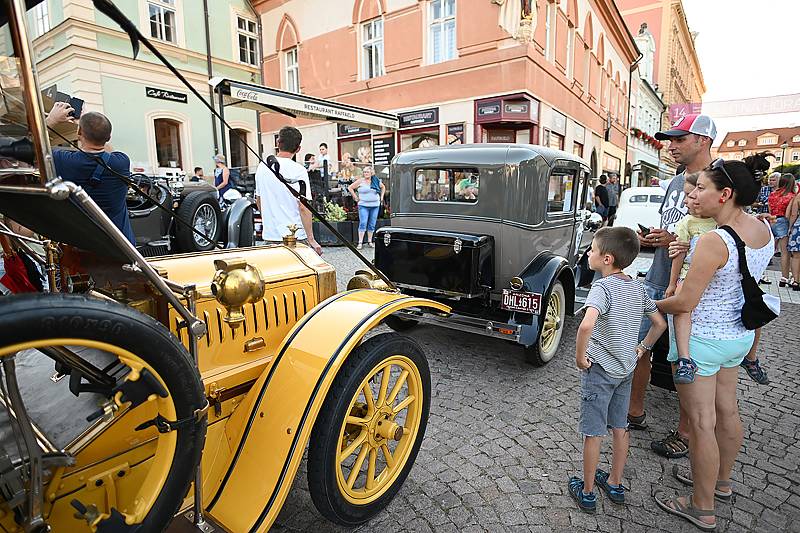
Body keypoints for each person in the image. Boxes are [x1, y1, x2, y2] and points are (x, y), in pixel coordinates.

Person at [653, 154, 773, 531]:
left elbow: (685, 302)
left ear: (725, 194)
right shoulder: (764, 230)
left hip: (701, 341)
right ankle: (720, 483)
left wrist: (644, 302)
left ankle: (701, 506)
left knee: (702, 423)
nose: (695, 194)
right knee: (728, 412)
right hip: (738, 339)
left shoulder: (712, 241)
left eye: (702, 188)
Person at [627, 113, 716, 460]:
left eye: (680, 139)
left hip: (694, 287)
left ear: (703, 141)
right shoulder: (677, 179)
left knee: (685, 359)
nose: (671, 145)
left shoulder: (721, 179)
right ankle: (634, 412)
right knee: (639, 347)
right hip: (658, 277)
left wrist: (678, 244)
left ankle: (686, 432)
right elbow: (677, 227)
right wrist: (658, 238)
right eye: (670, 139)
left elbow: (724, 240)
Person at [568, 227, 666, 513]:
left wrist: (579, 358)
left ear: (607, 259)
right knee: (620, 426)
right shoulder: (637, 287)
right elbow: (659, 323)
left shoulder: (601, 288)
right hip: (626, 370)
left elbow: (586, 325)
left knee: (593, 432)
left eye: (593, 250)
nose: (588, 253)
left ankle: (586, 491)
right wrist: (643, 347)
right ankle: (614, 482)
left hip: (600, 370)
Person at [45, 103, 135, 243]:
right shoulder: (122, 162)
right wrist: (87, 126)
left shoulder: (64, 160)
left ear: (79, 133)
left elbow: (32, 147)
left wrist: (51, 120)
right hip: (121, 248)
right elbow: (106, 151)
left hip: (85, 247)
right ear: (109, 137)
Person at [664, 172, 716, 385]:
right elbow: (678, 255)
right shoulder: (686, 223)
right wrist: (671, 284)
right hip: (688, 275)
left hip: (711, 279)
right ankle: (684, 358)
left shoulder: (719, 221)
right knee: (681, 305)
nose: (686, 200)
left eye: (691, 195)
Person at [255, 126, 322, 255]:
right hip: (295, 235)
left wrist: (270, 221)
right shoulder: (299, 170)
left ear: (277, 143)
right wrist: (311, 239)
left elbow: (259, 201)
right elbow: (304, 206)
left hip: (270, 235)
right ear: (298, 149)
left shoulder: (262, 167)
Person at [767, 173, 797, 286]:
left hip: (772, 220)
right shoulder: (791, 196)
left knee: (770, 250)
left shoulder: (772, 195)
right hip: (783, 222)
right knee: (785, 253)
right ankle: (784, 277)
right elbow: (789, 214)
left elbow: (770, 210)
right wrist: (790, 227)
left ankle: (762, 274)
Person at [348, 166, 385, 249]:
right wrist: (355, 196)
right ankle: (360, 242)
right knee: (363, 222)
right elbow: (350, 187)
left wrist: (381, 197)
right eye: (364, 172)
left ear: (371, 173)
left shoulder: (375, 180)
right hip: (363, 205)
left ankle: (370, 241)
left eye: (367, 172)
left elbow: (383, 187)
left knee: (372, 224)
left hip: (375, 205)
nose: (365, 174)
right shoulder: (360, 181)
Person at [786, 190, 800, 291]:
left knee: (796, 256)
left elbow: (793, 214)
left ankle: (796, 281)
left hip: (798, 227)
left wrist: (790, 227)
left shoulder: (798, 197)